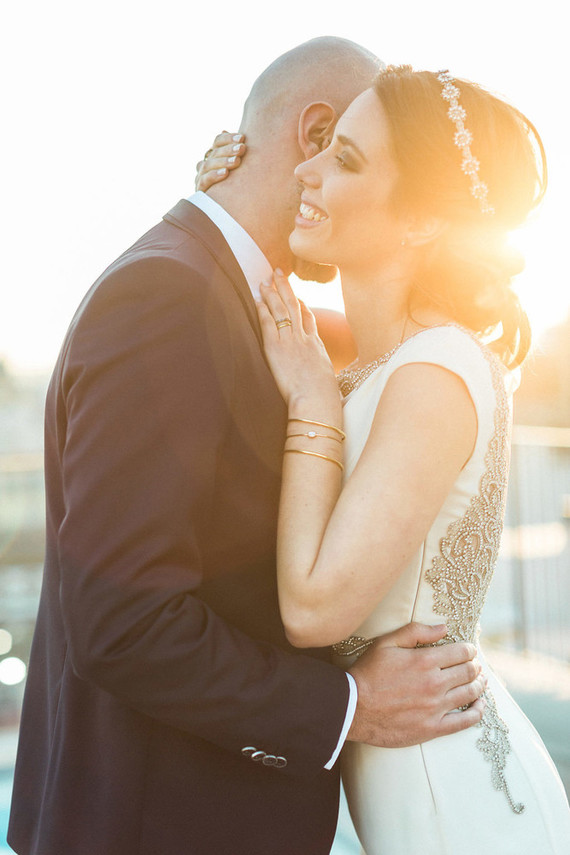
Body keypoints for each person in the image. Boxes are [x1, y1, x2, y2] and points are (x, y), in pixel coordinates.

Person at [7, 43, 488, 855]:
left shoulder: (233, 293)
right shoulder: (169, 296)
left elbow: (385, 351)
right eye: (343, 151)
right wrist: (347, 707)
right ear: (316, 136)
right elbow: (122, 620)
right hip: (161, 827)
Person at [203, 64, 570, 852]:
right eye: (322, 146)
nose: (307, 169)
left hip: (459, 805)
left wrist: (312, 403)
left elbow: (313, 609)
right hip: (412, 789)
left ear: (422, 221)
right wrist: (223, 198)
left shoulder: (436, 372)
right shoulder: (378, 359)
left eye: (345, 158)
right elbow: (253, 301)